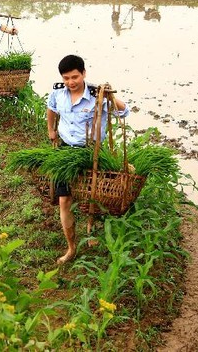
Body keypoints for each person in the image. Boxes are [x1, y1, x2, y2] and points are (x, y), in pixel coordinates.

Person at [46, 55, 129, 264]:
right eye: (66, 78)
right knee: (64, 199)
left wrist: (108, 95)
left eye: (75, 77)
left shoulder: (96, 96)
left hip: (91, 152)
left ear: (84, 73)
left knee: (92, 198)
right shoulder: (57, 92)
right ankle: (71, 248)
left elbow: (125, 111)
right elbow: (51, 108)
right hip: (65, 151)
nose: (71, 82)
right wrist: (51, 130)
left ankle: (91, 230)